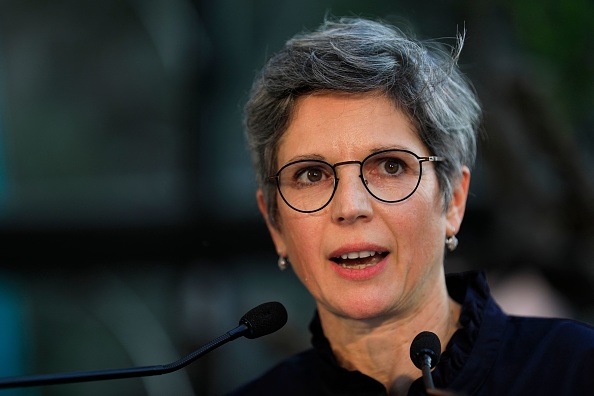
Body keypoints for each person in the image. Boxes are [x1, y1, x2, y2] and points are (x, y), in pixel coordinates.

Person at [228, 16, 594, 396]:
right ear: (274, 223)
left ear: (453, 199)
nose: (350, 206)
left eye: (390, 166)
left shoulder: (577, 370)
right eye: (311, 175)